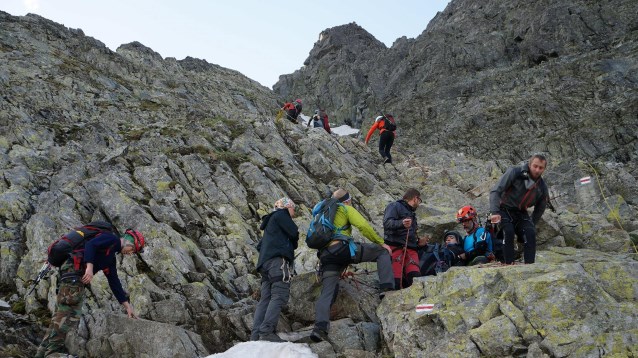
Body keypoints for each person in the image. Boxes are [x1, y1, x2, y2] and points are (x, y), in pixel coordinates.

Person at [35, 225, 145, 358]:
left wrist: (127, 306)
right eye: (133, 248)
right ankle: (52, 353)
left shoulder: (110, 257)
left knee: (61, 313)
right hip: (75, 275)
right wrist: (89, 268)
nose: (131, 252)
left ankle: (41, 353)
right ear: (128, 241)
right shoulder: (113, 240)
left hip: (70, 275)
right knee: (69, 313)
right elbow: (91, 245)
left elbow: (114, 282)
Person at [310, 189, 394, 342]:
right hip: (342, 250)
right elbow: (363, 226)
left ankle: (319, 328)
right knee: (381, 253)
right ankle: (387, 288)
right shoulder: (345, 208)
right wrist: (381, 243)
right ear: (347, 200)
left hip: (326, 256)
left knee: (327, 292)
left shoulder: (321, 212)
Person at [251, 198, 299, 342]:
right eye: (293, 208)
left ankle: (255, 335)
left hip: (265, 264)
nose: (294, 212)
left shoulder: (270, 223)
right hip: (278, 261)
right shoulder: (281, 215)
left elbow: (260, 246)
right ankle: (266, 332)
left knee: (265, 298)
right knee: (279, 294)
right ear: (287, 206)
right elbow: (294, 233)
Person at [489, 154, 549, 264]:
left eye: (541, 168)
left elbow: (541, 207)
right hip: (503, 209)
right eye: (535, 166)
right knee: (508, 231)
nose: (537, 170)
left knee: (530, 233)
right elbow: (495, 191)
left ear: (544, 169)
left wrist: (532, 222)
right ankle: (508, 264)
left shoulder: (542, 187)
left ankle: (529, 266)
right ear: (530, 164)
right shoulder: (515, 172)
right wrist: (494, 212)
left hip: (521, 212)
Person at [383, 188, 428, 289]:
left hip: (411, 249)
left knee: (415, 278)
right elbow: (387, 223)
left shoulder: (411, 213)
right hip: (396, 247)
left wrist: (418, 242)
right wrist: (401, 223)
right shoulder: (394, 206)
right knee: (396, 280)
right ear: (415, 198)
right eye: (419, 201)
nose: (419, 204)